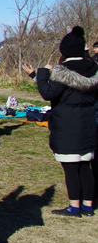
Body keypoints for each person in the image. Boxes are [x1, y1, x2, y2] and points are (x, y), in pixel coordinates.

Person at [24, 26, 98, 218]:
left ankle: (74, 207)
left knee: (71, 167)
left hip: (67, 124)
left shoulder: (62, 72)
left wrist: (42, 74)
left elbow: (48, 93)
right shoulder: (93, 69)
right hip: (88, 122)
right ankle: (88, 205)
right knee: (85, 165)